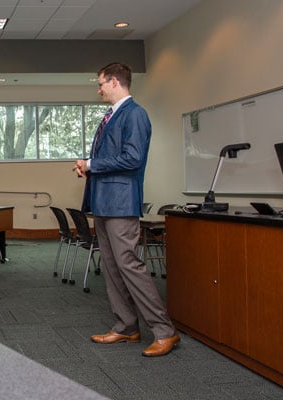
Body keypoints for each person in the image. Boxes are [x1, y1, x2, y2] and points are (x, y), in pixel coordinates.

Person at [73, 62, 179, 357]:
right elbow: (111, 157)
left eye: (101, 83)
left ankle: (165, 331)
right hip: (104, 203)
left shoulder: (135, 114)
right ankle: (127, 326)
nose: (99, 89)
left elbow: (132, 158)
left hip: (120, 203)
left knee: (130, 265)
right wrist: (87, 166)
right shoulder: (111, 116)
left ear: (115, 81)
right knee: (111, 267)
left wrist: (92, 164)